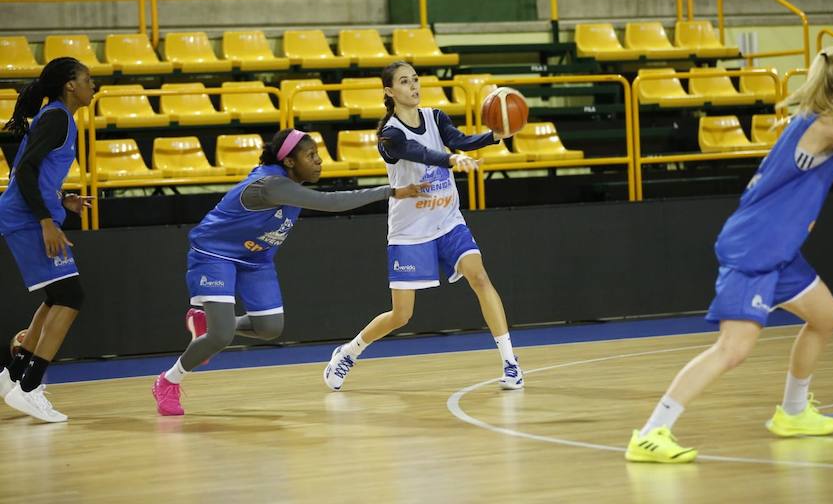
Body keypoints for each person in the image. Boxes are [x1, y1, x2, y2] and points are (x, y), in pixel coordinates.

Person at [626, 45, 833, 463]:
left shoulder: (813, 126)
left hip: (779, 250)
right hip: (757, 246)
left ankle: (792, 412)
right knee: (732, 350)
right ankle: (651, 432)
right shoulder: (830, 124)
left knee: (826, 316)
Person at [152, 128, 427, 416]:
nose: (319, 161)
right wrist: (390, 191)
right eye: (311, 155)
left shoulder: (288, 182)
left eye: (318, 154)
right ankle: (168, 381)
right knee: (219, 337)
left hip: (255, 258)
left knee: (269, 328)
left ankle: (207, 323)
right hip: (215, 253)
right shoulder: (272, 185)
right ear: (290, 162)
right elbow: (331, 203)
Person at [323, 62, 525, 391]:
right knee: (401, 315)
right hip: (410, 229)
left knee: (480, 275)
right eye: (404, 82)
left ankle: (511, 363)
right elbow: (419, 152)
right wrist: (450, 159)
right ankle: (349, 351)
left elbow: (460, 140)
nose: (413, 86)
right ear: (389, 91)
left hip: (446, 219)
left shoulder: (435, 117)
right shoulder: (389, 135)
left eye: (415, 80)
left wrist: (493, 135)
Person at [0, 57, 94, 423]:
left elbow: (36, 173)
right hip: (26, 219)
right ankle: (29, 387)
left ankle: (13, 376)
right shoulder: (56, 118)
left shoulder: (58, 118)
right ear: (70, 85)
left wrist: (60, 201)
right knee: (71, 296)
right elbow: (23, 171)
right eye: (87, 79)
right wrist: (45, 219)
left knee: (57, 295)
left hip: (27, 215)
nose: (92, 85)